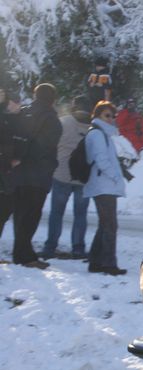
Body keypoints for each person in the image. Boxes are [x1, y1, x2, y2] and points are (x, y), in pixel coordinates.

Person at [11, 84, 63, 269]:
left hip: (16, 173)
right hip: (37, 175)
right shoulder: (51, 119)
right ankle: (24, 256)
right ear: (53, 99)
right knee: (31, 216)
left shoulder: (23, 113)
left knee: (19, 215)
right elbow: (47, 148)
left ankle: (21, 253)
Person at [41, 96, 93, 260]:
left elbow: (50, 144)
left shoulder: (63, 122)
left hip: (61, 174)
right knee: (81, 214)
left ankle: (50, 247)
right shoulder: (94, 126)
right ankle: (78, 248)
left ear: (73, 105)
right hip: (83, 177)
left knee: (56, 213)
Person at [83, 101, 127, 275]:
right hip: (103, 185)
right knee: (110, 226)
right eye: (106, 115)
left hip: (104, 184)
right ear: (97, 115)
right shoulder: (97, 134)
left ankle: (95, 262)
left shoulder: (103, 134)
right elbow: (101, 161)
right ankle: (108, 264)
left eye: (112, 116)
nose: (110, 119)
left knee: (105, 225)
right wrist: (116, 177)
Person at [0, 89, 23, 241]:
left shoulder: (18, 119)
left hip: (9, 172)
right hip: (5, 168)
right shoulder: (5, 118)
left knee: (5, 210)